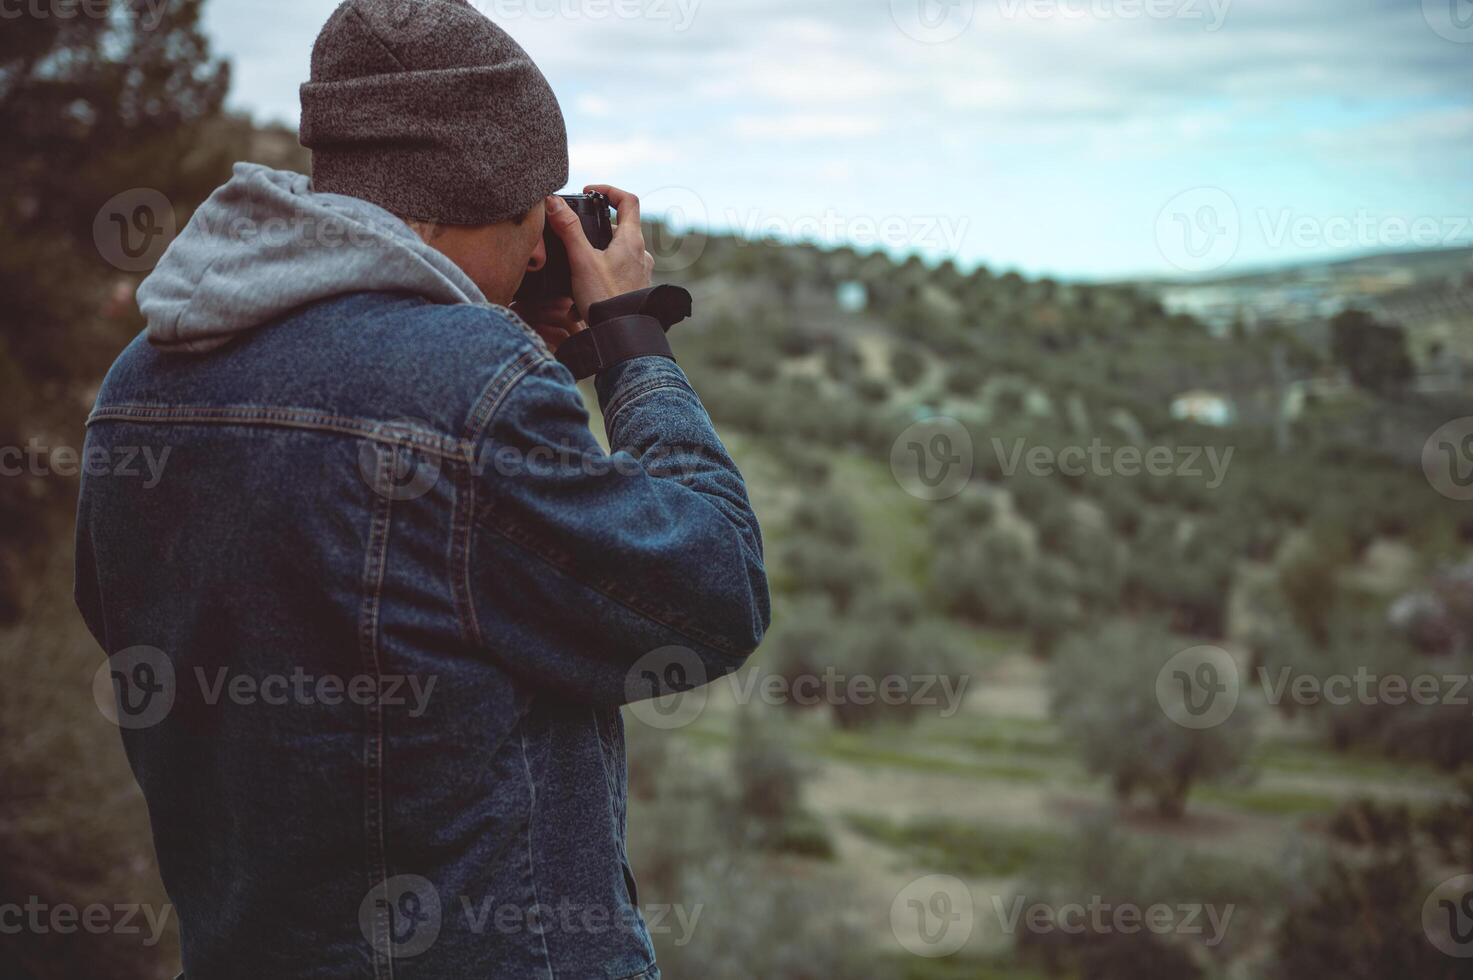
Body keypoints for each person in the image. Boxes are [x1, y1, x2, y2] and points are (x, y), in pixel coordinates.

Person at [73, 1, 769, 977]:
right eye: (533, 220)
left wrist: (509, 363)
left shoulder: (136, 389)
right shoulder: (469, 394)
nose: (540, 254)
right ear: (449, 210)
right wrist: (631, 341)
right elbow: (714, 589)